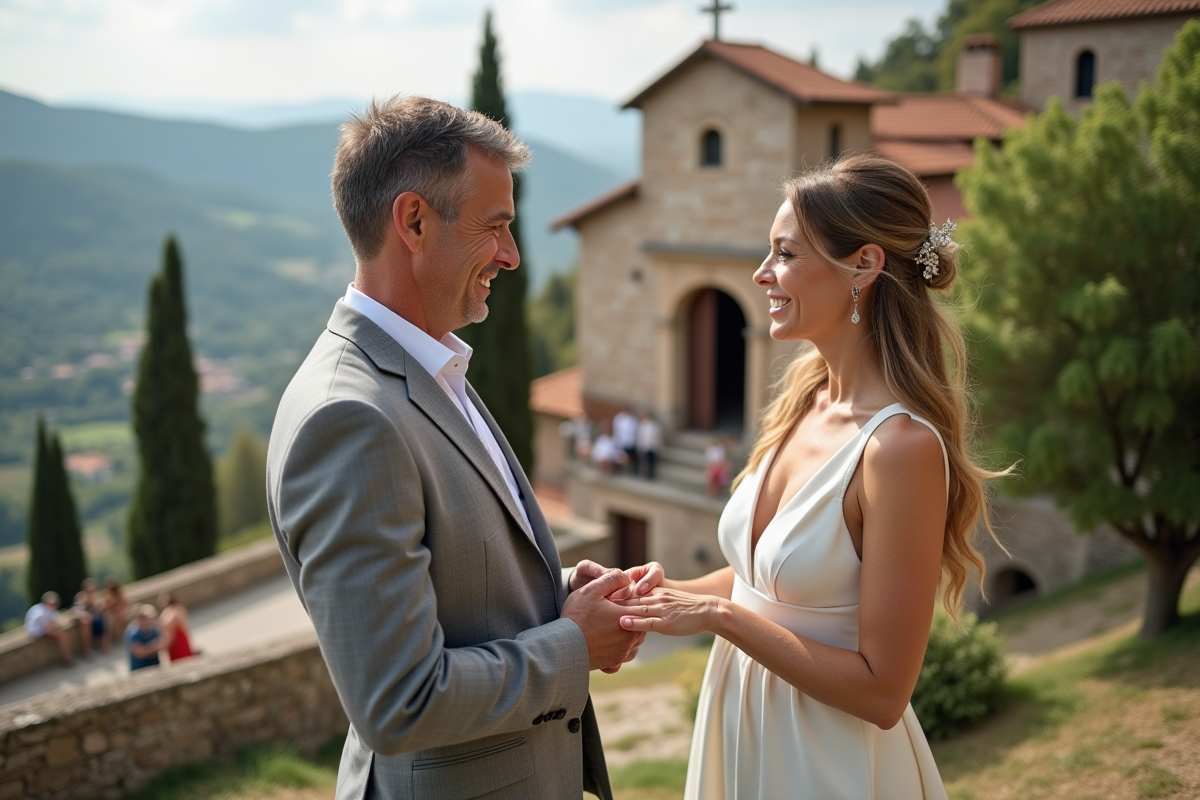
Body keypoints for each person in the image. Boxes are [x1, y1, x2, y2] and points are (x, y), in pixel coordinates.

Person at [266, 96, 659, 800]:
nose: (511, 254)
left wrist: (557, 594)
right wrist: (574, 645)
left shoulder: (430, 366)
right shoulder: (350, 419)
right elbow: (401, 700)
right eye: (495, 226)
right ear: (414, 222)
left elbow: (452, 582)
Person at [616, 155, 1002, 799]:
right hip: (742, 726)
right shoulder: (803, 401)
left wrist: (717, 616)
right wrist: (658, 597)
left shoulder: (898, 449)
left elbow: (883, 692)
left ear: (865, 265)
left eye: (786, 253)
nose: (762, 273)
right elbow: (769, 585)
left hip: (828, 761)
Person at [25, 591, 82, 666]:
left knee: (61, 635)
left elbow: (56, 620)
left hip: (41, 629)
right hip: (36, 631)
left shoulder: (47, 608)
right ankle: (67, 659)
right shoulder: (40, 612)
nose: (54, 606)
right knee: (63, 637)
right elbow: (48, 626)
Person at [157, 593, 195, 663]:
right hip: (176, 640)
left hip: (177, 640)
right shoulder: (176, 608)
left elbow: (170, 625)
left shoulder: (173, 610)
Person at [75, 578, 108, 654]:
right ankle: (87, 651)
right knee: (86, 625)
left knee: (104, 620)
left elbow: (100, 607)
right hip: (87, 620)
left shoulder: (95, 596)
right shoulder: (80, 597)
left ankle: (104, 647)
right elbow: (77, 609)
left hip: (96, 618)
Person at [125, 605, 161, 672]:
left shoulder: (153, 629)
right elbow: (139, 652)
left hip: (155, 667)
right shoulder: (132, 631)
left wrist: (147, 648)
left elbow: (165, 642)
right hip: (140, 670)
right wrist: (155, 646)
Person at [636, 411, 663, 481]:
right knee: (645, 461)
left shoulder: (655, 425)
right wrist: (639, 446)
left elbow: (658, 437)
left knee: (652, 461)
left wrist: (659, 447)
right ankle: (645, 474)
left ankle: (651, 474)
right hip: (644, 446)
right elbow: (640, 436)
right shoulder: (642, 425)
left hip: (653, 446)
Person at [612, 408, 639, 475]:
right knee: (621, 456)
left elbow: (634, 431)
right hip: (621, 441)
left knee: (630, 457)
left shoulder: (633, 419)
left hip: (630, 441)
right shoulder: (619, 417)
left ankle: (631, 469)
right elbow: (616, 428)